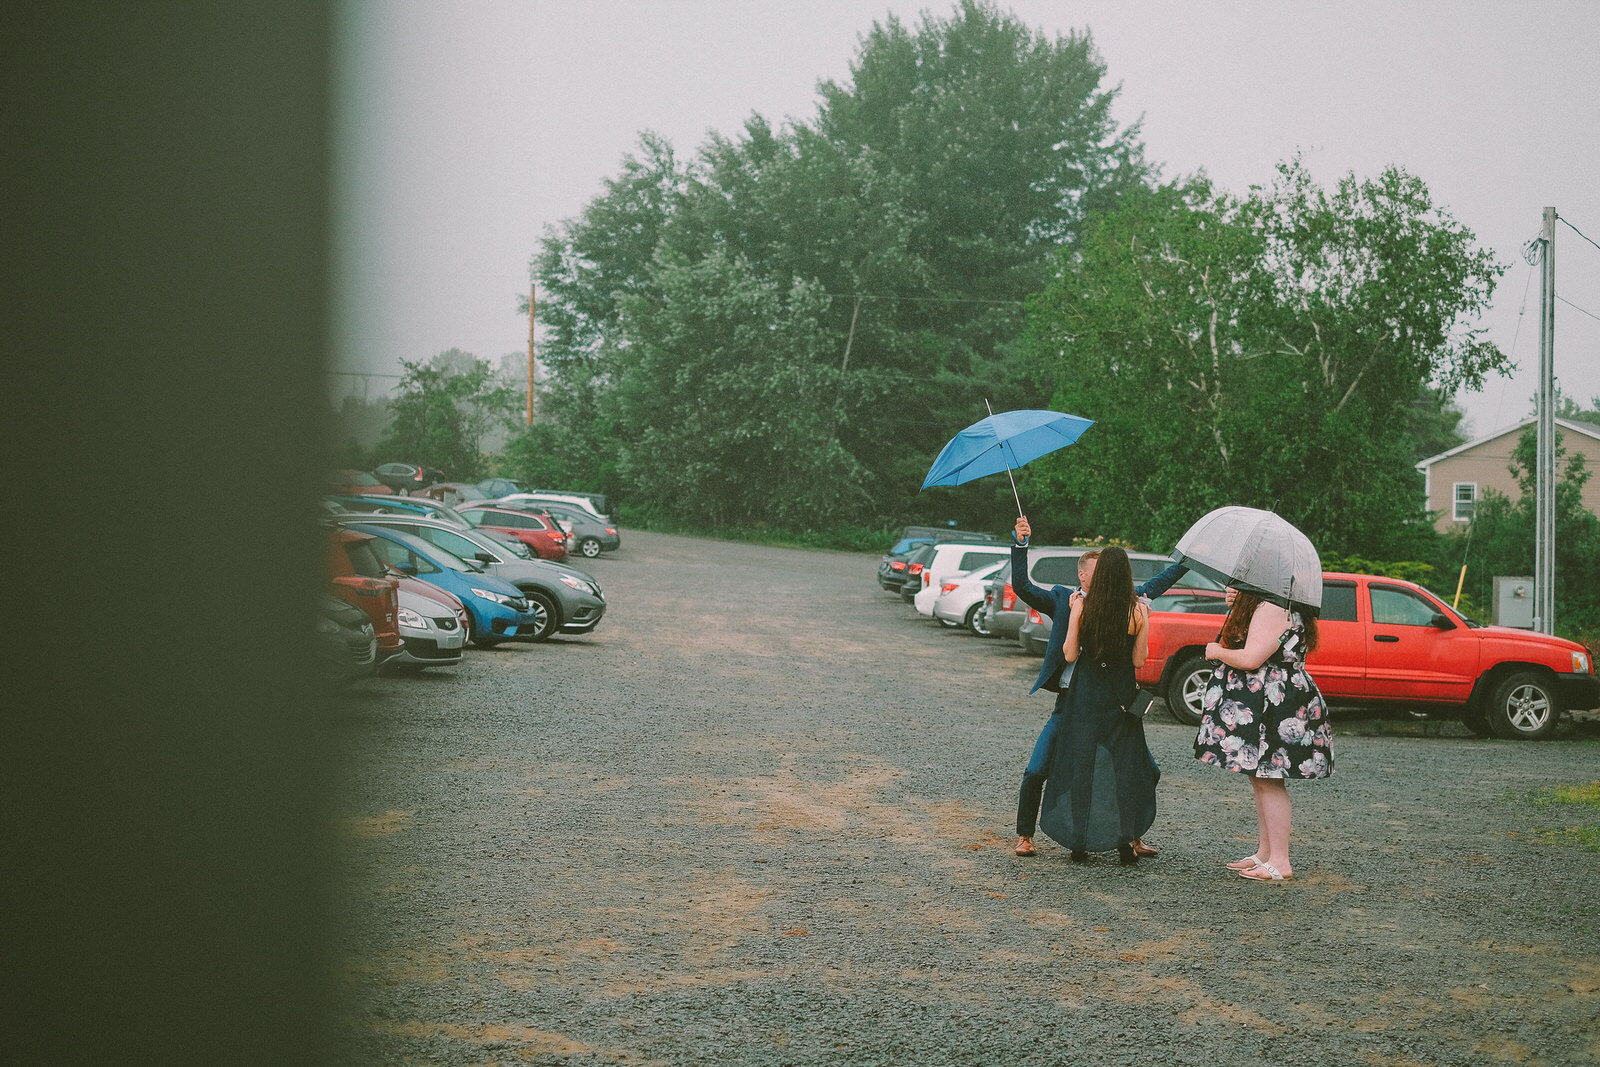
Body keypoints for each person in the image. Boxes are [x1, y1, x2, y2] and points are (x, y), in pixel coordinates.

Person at [1011, 516, 1188, 862]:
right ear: (1083, 574)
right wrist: (1021, 545)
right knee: (1037, 769)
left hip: (1110, 705)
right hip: (1069, 704)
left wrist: (1185, 563)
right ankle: (1025, 834)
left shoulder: (1127, 601)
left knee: (1144, 770)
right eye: (1097, 569)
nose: (1104, 575)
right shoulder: (1065, 599)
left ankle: (1130, 834)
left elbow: (1160, 582)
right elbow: (1023, 587)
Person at [1193, 586, 1334, 881]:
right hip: (1272, 699)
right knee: (1260, 777)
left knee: (1269, 779)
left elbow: (1251, 658)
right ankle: (1267, 853)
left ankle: (1280, 860)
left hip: (1274, 701)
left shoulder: (1273, 607)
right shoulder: (1278, 604)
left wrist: (1215, 651)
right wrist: (1240, 604)